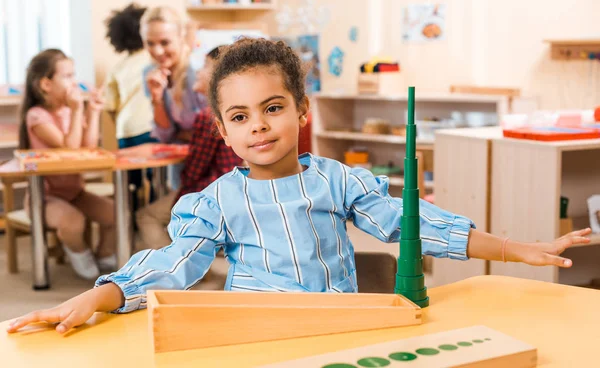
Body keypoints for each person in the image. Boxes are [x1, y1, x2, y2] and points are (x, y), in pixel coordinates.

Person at [7, 39, 591, 334]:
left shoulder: (337, 180)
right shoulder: (214, 202)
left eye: (272, 107)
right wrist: (100, 295)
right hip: (253, 339)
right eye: (239, 116)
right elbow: (169, 264)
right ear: (222, 129)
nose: (258, 124)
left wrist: (515, 249)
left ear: (302, 110)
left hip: (340, 331)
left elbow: (414, 224)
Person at [16, 49, 116, 280]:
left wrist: (92, 112)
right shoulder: (37, 115)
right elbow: (69, 151)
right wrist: (77, 110)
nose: (75, 82)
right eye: (68, 76)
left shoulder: (69, 112)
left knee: (114, 213)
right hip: (44, 198)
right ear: (46, 84)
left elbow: (88, 148)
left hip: (74, 193)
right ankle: (80, 253)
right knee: (73, 221)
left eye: (74, 75)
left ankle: (104, 254)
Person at [135, 47, 241, 250]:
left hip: (207, 195)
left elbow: (192, 174)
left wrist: (182, 194)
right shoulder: (232, 111)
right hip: (228, 191)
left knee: (146, 215)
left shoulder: (207, 116)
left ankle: (175, 269)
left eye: (205, 67)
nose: (198, 72)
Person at [141, 6, 205, 190]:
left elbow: (215, 130)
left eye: (165, 42)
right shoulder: (150, 74)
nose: (158, 51)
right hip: (181, 164)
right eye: (150, 43)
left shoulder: (197, 72)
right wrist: (156, 98)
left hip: (211, 166)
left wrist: (184, 134)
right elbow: (166, 135)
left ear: (181, 38)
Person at [103, 2, 156, 213]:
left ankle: (129, 222)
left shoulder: (117, 68)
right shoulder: (155, 58)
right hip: (150, 126)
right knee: (155, 178)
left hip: (125, 130)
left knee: (129, 182)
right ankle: (155, 218)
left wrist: (121, 125)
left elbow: (110, 106)